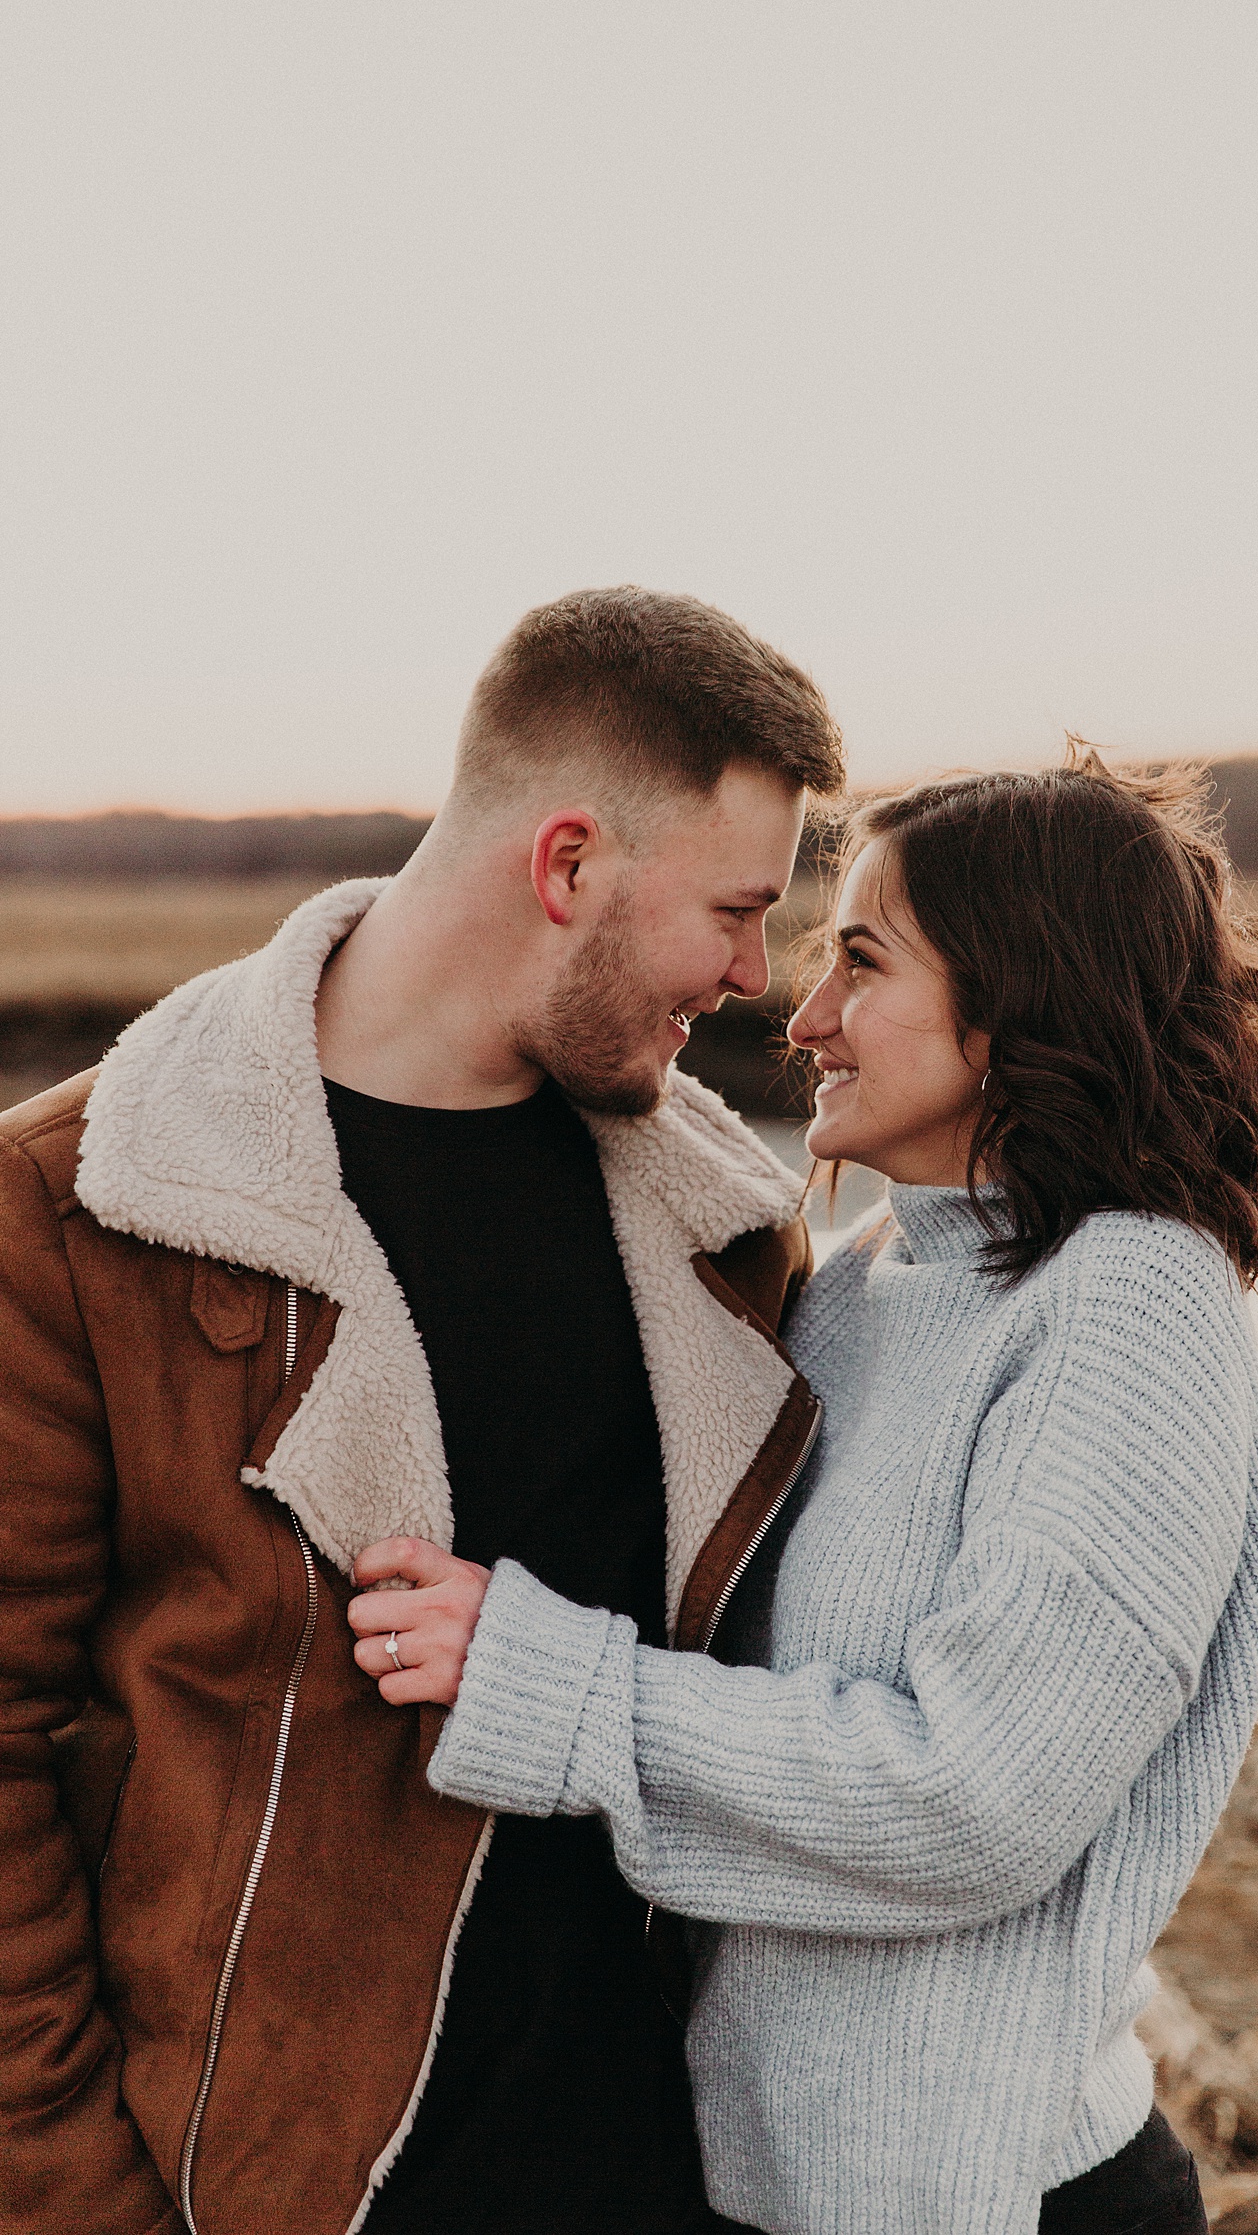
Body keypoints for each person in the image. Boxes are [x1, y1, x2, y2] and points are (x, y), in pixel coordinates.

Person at [356, 752, 1258, 2235]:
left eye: (863, 963)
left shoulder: (1132, 1303)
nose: (806, 1015)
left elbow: (979, 1794)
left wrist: (552, 1685)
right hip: (757, 2185)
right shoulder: (869, 1283)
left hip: (993, 2197)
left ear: (1022, 996)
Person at [0, 586, 843, 2235]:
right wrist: (74, 2200)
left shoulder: (727, 1239)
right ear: (568, 863)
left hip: (660, 2180)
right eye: (736, 911)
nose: (756, 974)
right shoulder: (81, 1211)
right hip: (251, 2191)